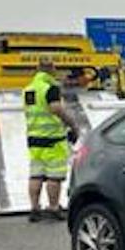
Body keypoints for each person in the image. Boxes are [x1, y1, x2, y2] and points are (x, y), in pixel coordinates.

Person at [23, 59, 80, 222]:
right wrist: (72, 124)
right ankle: (53, 208)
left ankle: (34, 208)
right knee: (54, 177)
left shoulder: (29, 88)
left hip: (34, 138)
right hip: (52, 139)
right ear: (51, 70)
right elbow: (56, 108)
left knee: (36, 175)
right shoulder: (50, 88)